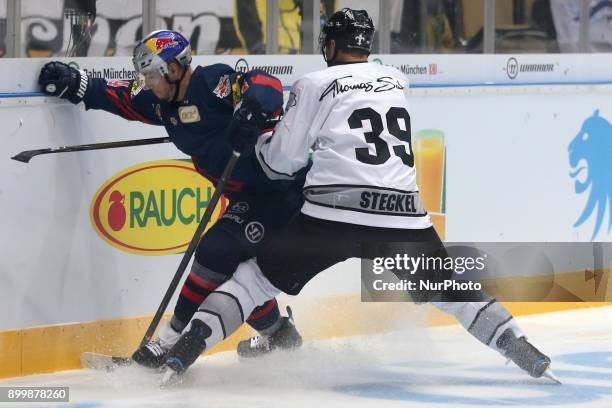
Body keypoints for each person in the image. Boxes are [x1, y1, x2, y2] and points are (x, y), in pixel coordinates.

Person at [160, 9, 559, 386]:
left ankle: (182, 355)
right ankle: (521, 348)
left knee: (253, 281)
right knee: (450, 288)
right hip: (402, 215)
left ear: (331, 46)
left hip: (333, 214)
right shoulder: (396, 79)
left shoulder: (314, 83)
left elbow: (281, 162)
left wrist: (255, 140)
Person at [37, 29, 304, 368]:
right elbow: (119, 97)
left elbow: (262, 83)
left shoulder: (211, 83)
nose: (147, 82)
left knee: (214, 253)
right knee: (227, 270)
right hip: (246, 197)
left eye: (151, 74)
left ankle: (165, 343)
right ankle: (281, 336)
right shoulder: (159, 100)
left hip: (281, 191)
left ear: (174, 70)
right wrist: (76, 84)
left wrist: (254, 107)